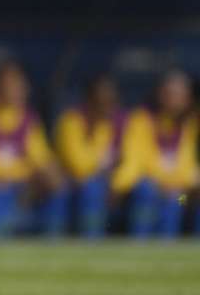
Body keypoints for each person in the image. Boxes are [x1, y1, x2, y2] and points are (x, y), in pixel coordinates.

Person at [0, 62, 67, 236]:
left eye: (21, 84)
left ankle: (53, 243)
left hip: (19, 189)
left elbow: (41, 159)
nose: (20, 89)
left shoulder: (28, 120)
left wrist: (52, 176)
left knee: (57, 186)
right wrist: (14, 174)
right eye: (13, 84)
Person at [112, 70, 198, 237]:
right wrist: (164, 182)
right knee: (147, 192)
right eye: (171, 94)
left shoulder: (189, 125)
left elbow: (187, 165)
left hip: (179, 194)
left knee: (178, 200)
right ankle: (139, 242)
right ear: (160, 94)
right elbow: (136, 161)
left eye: (181, 95)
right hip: (145, 188)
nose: (176, 100)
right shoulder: (142, 119)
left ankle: (173, 247)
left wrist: (181, 184)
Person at [54, 74, 124, 238]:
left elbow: (131, 160)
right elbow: (78, 166)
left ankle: (163, 245)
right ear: (89, 100)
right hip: (75, 185)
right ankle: (91, 240)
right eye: (100, 101)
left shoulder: (118, 123)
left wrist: (117, 183)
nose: (106, 106)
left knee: (175, 200)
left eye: (110, 101)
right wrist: (104, 165)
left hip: (178, 192)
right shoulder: (72, 121)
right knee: (92, 189)